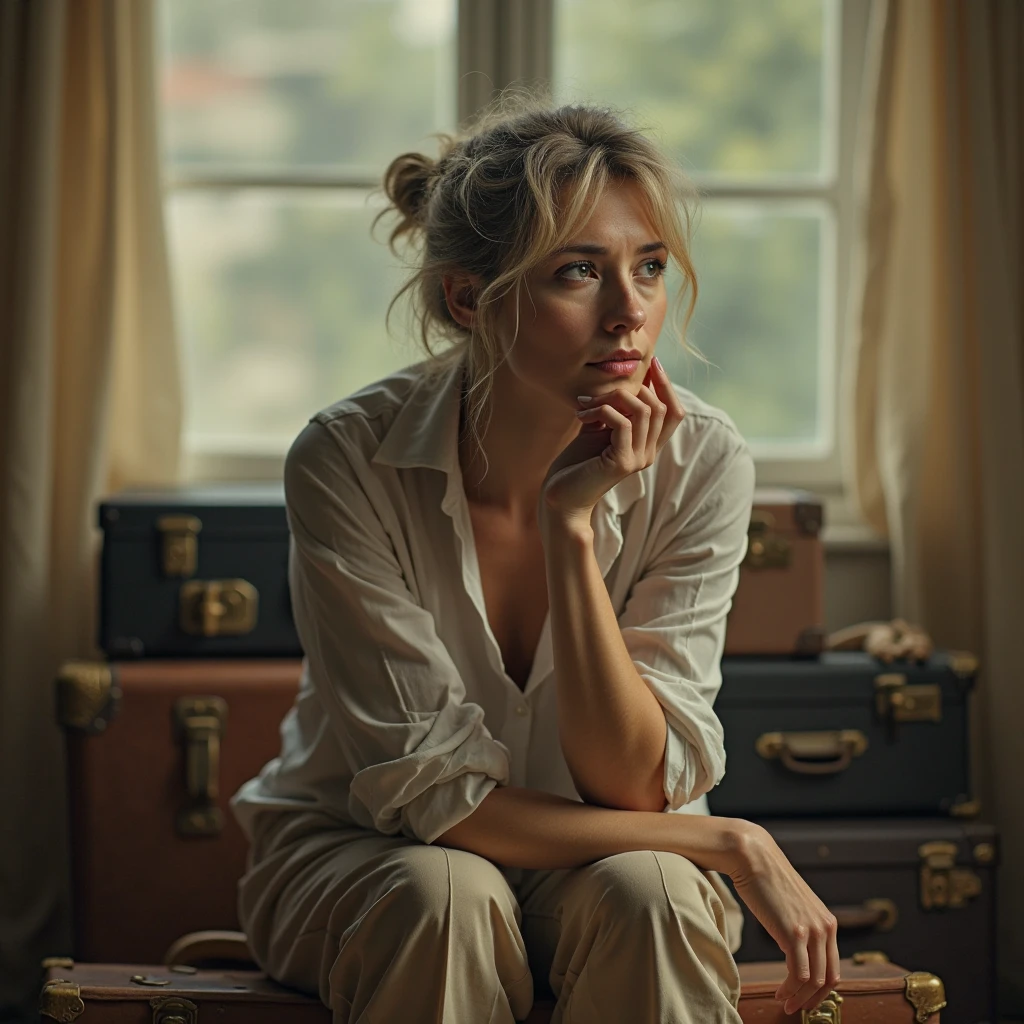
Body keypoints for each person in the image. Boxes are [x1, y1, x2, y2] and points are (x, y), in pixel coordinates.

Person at [230, 100, 840, 1024]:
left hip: (607, 863)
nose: (629, 313)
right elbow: (436, 804)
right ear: (469, 298)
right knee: (446, 899)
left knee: (657, 897)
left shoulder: (702, 461)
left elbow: (637, 785)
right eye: (579, 273)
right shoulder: (346, 457)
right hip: (363, 855)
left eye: (649, 267)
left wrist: (572, 526)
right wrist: (733, 840)